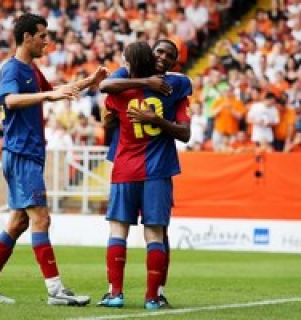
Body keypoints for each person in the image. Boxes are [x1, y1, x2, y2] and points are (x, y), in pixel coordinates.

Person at [0, 13, 108, 305]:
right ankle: (55, 290)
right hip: (22, 154)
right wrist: (48, 97)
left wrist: (91, 81)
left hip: (26, 154)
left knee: (19, 222)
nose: (47, 40)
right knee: (41, 219)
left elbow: (58, 92)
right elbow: (9, 99)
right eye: (42, 35)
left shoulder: (32, 70)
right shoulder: (13, 69)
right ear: (26, 37)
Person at [98, 41, 191, 310]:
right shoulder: (176, 87)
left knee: (118, 231)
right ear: (150, 56)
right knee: (155, 234)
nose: (163, 57)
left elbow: (107, 103)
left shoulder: (120, 90)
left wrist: (116, 118)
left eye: (169, 55)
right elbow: (185, 132)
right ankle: (152, 297)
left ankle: (116, 293)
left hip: (126, 167)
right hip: (157, 171)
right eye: (159, 52)